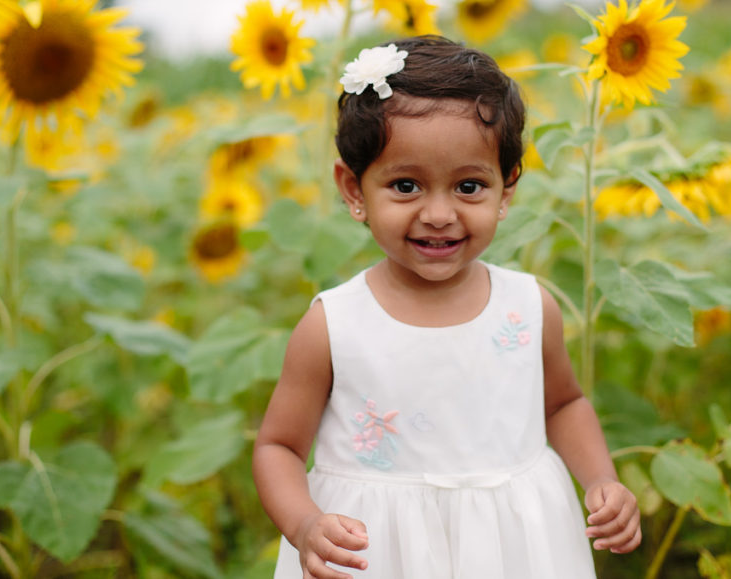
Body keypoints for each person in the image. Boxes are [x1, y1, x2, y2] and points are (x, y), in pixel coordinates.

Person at [253, 35, 641, 578]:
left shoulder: (529, 307)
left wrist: (601, 479)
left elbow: (563, 405)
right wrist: (303, 525)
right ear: (354, 189)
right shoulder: (334, 325)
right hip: (376, 552)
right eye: (406, 185)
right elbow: (278, 446)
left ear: (506, 190)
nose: (439, 214)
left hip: (513, 547)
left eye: (468, 186)